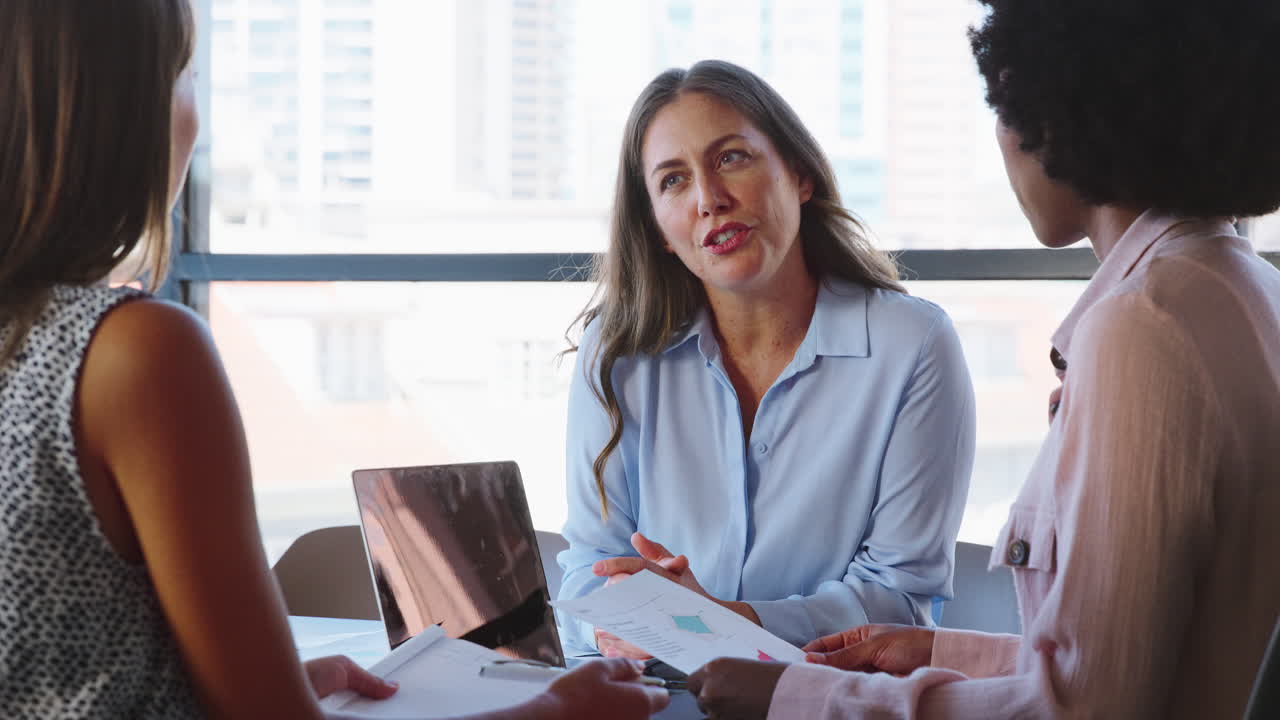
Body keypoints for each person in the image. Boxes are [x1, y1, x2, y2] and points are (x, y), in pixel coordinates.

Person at [0, 3, 668, 719]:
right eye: (184, 72)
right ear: (123, 110)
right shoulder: (136, 353)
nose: (198, 112)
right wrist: (556, 713)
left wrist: (246, 681)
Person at [685, 1, 1280, 718]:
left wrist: (796, 695)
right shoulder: (1245, 287)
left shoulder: (1141, 329)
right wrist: (941, 653)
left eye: (1004, 106)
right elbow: (1141, 657)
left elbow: (1088, 708)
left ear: (1055, 113)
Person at [556, 59, 976, 659]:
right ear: (658, 230)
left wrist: (727, 624)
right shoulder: (617, 350)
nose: (709, 199)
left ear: (800, 175)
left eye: (731, 158)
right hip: (655, 690)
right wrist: (612, 622)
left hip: (828, 693)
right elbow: (589, 565)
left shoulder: (912, 344)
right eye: (673, 180)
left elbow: (899, 598)